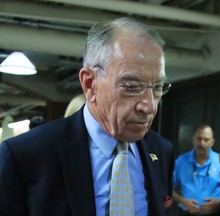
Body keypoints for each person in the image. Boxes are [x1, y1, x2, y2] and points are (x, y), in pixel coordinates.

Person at [0, 17, 175, 216]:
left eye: (158, 87)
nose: (150, 106)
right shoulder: (24, 155)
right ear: (90, 84)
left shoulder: (161, 150)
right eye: (131, 87)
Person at [173, 124, 220, 216]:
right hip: (186, 213)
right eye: (199, 139)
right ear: (193, 140)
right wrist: (183, 201)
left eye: (206, 140)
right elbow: (168, 189)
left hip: (214, 214)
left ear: (212, 142)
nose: (202, 143)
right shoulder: (181, 161)